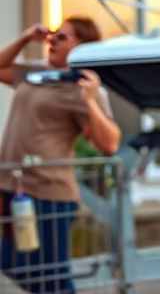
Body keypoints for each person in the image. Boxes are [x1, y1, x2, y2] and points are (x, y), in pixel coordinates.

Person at [0, 17, 121, 293]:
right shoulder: (34, 74)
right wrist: (25, 37)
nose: (51, 40)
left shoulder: (85, 87)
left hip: (48, 194)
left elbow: (110, 143)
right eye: (53, 35)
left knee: (52, 278)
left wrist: (89, 100)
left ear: (82, 47)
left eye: (62, 37)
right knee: (13, 263)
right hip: (13, 189)